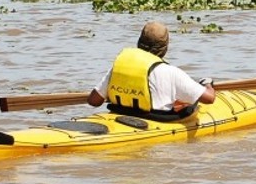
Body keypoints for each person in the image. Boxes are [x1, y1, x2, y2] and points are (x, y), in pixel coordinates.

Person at [88, 21, 216, 117]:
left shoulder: (120, 67)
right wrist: (207, 84)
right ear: (165, 48)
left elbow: (93, 101)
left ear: (139, 42)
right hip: (155, 121)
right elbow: (209, 99)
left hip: (120, 116)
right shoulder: (172, 73)